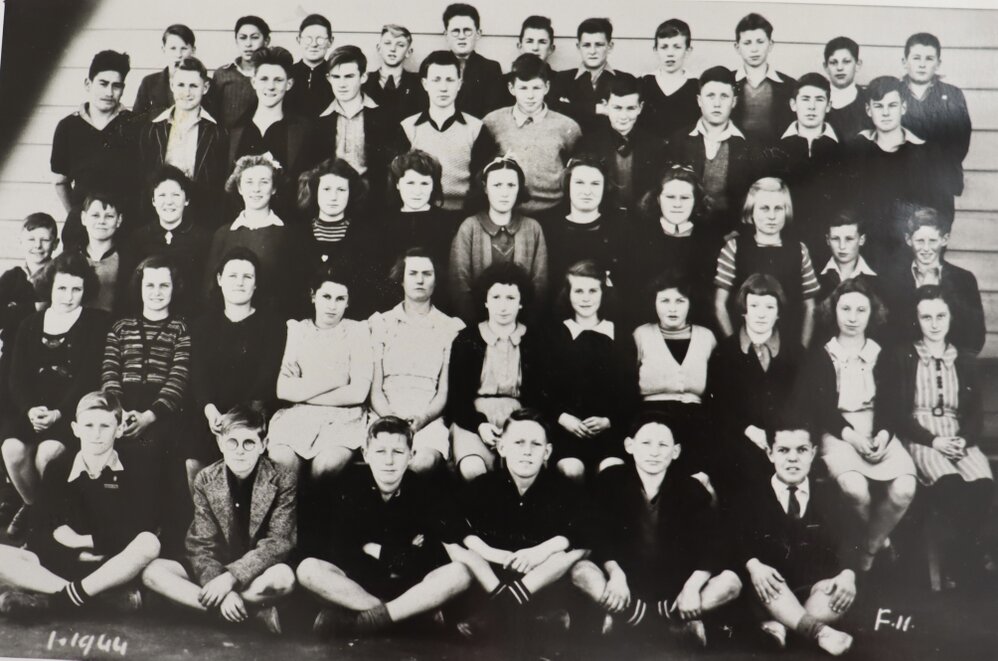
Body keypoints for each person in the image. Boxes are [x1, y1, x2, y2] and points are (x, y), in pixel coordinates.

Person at [571, 414, 742, 644]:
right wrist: (616, 574)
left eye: (663, 445)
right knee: (581, 570)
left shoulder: (691, 488)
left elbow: (714, 544)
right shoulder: (611, 480)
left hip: (672, 589)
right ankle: (654, 622)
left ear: (676, 451)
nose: (654, 452)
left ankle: (647, 619)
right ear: (629, 446)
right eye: (646, 443)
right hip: (626, 584)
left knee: (731, 583)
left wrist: (691, 587)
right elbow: (598, 534)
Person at [298, 416, 471, 638]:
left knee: (460, 573)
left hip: (411, 588)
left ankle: (367, 620)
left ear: (411, 455)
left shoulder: (424, 491)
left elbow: (429, 557)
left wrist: (373, 548)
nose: (389, 461)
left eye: (398, 452)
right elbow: (342, 553)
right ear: (366, 454)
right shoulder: (348, 488)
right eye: (380, 452)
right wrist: (402, 550)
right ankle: (407, 618)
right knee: (308, 570)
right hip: (357, 589)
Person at [0, 391, 162, 619]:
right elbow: (38, 532)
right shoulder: (59, 468)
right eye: (88, 426)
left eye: (105, 426)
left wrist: (81, 541)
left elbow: (139, 527)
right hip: (64, 564)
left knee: (149, 543)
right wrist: (75, 553)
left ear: (119, 429)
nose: (96, 434)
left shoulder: (135, 467)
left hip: (113, 566)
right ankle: (97, 600)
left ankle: (58, 600)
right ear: (75, 429)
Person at [141, 404, 295, 634]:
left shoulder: (282, 479)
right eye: (232, 442)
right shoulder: (206, 479)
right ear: (221, 444)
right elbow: (201, 543)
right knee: (152, 572)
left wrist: (231, 579)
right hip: (214, 568)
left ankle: (211, 609)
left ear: (263, 445)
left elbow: (277, 542)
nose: (239, 451)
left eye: (249, 443)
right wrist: (224, 590)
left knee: (284, 579)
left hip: (256, 571)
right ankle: (248, 613)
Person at [799, 277, 917, 572]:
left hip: (878, 430)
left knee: (904, 488)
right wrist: (852, 438)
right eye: (845, 309)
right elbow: (822, 409)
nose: (852, 318)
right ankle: (881, 541)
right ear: (833, 311)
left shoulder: (882, 354)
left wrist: (883, 436)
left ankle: (870, 546)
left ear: (872, 314)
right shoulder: (822, 355)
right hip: (839, 432)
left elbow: (892, 405)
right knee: (854, 488)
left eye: (860, 310)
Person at [452, 409, 588, 634]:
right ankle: (518, 613)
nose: (527, 452)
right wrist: (488, 551)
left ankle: (505, 612)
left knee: (576, 549)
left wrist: (543, 550)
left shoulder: (562, 489)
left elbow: (591, 526)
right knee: (458, 545)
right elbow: (447, 520)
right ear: (502, 448)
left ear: (547, 452)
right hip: (495, 578)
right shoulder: (485, 486)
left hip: (542, 581)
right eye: (518, 443)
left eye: (536, 444)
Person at [2, 253, 108, 539]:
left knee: (47, 455)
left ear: (86, 291)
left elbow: (88, 378)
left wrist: (59, 413)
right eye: (62, 288)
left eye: (76, 289)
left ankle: (41, 525)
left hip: (71, 413)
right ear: (50, 287)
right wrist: (29, 410)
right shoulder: (30, 324)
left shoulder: (96, 323)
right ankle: (33, 508)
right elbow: (16, 377)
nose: (68, 296)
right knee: (11, 450)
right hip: (33, 412)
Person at [895, 286, 994, 587]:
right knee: (950, 484)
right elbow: (899, 414)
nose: (934, 323)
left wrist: (964, 439)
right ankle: (966, 559)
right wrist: (934, 441)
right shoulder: (906, 356)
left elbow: (975, 413)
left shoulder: (963, 359)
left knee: (982, 485)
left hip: (958, 437)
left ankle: (958, 554)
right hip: (923, 438)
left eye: (940, 316)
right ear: (917, 320)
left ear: (951, 318)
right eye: (926, 317)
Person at [733, 425, 856, 656]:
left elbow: (850, 538)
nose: (792, 458)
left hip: (812, 590)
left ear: (812, 453)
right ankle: (819, 632)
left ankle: (783, 627)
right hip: (771, 592)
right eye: (783, 450)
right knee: (768, 583)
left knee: (836, 594)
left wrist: (847, 575)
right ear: (770, 453)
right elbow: (738, 540)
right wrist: (754, 565)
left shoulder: (829, 494)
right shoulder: (751, 495)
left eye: (801, 450)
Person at [186, 249, 285, 485]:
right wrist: (210, 410)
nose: (239, 283)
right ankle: (207, 520)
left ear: (256, 284)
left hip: (253, 411)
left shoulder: (272, 325)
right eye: (232, 276)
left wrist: (239, 417)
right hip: (213, 413)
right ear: (219, 279)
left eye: (247, 277)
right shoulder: (202, 325)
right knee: (194, 459)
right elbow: (198, 374)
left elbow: (267, 376)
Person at [267, 264, 373, 479]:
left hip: (344, 418)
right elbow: (284, 389)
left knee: (325, 467)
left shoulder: (358, 331)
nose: (332, 306)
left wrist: (304, 390)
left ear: (348, 302)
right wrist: (336, 379)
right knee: (282, 461)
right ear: (313, 296)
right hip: (298, 415)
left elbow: (358, 394)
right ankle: (287, 513)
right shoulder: (297, 330)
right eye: (326, 296)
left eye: (340, 299)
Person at [368, 249, 465, 474]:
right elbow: (375, 390)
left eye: (427, 273)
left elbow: (443, 391)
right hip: (384, 414)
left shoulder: (450, 327)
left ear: (436, 279)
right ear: (401, 279)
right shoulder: (380, 323)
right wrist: (391, 417)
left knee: (422, 464)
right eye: (412, 273)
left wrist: (423, 418)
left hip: (427, 418)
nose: (420, 280)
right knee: (386, 462)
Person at [707, 275, 801, 501]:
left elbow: (802, 402)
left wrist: (779, 435)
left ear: (778, 312)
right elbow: (719, 405)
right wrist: (748, 429)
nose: (761, 313)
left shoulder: (795, 352)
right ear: (744, 310)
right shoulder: (725, 352)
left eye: (769, 306)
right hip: (739, 438)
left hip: (784, 439)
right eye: (754, 306)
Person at [447, 264, 543, 482]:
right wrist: (479, 425)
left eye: (510, 298)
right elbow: (457, 398)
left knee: (523, 472)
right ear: (485, 300)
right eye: (496, 297)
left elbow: (541, 396)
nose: (503, 306)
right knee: (473, 469)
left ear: (520, 303)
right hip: (473, 419)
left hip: (522, 419)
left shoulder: (535, 340)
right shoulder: (467, 338)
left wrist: (520, 425)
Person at [543, 261, 631, 482]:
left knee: (612, 469)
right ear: (568, 293)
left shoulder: (618, 333)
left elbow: (629, 388)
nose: (585, 298)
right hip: (566, 429)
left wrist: (609, 420)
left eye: (593, 291)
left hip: (608, 430)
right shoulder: (555, 333)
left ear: (603, 293)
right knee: (571, 470)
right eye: (579, 291)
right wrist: (563, 418)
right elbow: (540, 387)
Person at [849, 75, 946, 266]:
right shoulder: (855, 151)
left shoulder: (925, 153)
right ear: (868, 110)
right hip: (864, 255)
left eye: (892, 105)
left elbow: (940, 211)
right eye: (878, 106)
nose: (885, 113)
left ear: (904, 107)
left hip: (910, 255)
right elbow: (845, 204)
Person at [714, 177, 820, 349]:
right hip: (744, 347)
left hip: (788, 348)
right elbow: (719, 305)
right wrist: (733, 348)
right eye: (764, 208)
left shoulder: (799, 250)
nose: (772, 216)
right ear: (751, 211)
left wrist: (802, 348)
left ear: (786, 211)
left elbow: (810, 307)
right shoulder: (734, 247)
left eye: (778, 208)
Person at [102, 256, 190, 463]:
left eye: (164, 285)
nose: (156, 292)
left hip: (161, 411)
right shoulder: (120, 327)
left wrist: (149, 417)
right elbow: (109, 374)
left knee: (151, 453)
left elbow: (178, 378)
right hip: (121, 407)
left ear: (174, 288)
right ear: (139, 286)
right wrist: (119, 412)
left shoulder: (180, 329)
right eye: (149, 285)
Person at [632, 272, 717, 477]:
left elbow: (718, 390)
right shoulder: (641, 335)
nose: (672, 308)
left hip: (696, 420)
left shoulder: (707, 337)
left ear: (690, 304)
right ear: (654, 303)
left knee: (699, 476)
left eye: (680, 301)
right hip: (651, 419)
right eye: (665, 301)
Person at [52, 50, 137, 250]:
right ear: (88, 84)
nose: (109, 92)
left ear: (123, 90)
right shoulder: (68, 126)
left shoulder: (135, 124)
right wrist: (78, 214)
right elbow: (59, 181)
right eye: (103, 83)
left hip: (125, 227)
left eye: (116, 86)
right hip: (81, 227)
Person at [449, 157, 548, 323]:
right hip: (477, 324)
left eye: (511, 185)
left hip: (523, 326)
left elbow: (540, 284)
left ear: (519, 189)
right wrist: (475, 324)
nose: (504, 193)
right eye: (497, 185)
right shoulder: (470, 227)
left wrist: (525, 325)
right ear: (485, 188)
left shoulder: (533, 228)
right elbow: (459, 283)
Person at [227, 46, 320, 223]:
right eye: (264, 79)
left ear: (289, 84)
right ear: (254, 82)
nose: (270, 86)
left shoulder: (304, 131)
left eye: (278, 80)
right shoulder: (235, 130)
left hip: (289, 227)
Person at [483, 54, 581, 218]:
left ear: (547, 87)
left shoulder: (567, 126)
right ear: (511, 88)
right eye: (523, 88)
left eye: (536, 88)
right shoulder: (492, 122)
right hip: (506, 212)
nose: (530, 96)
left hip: (552, 212)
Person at [399, 50, 497, 215]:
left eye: (450, 80)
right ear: (425, 84)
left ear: (459, 84)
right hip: (422, 213)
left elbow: (481, 183)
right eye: (436, 80)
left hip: (463, 215)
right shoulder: (408, 128)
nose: (443, 88)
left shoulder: (476, 128)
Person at [204, 154, 301, 316]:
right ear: (240, 188)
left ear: (274, 188)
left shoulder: (288, 235)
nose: (256, 189)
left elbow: (294, 292)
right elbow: (208, 289)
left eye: (264, 182)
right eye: (249, 182)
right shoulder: (223, 234)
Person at [880, 207, 985, 355]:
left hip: (951, 364)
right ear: (909, 240)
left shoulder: (963, 280)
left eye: (933, 241)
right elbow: (886, 333)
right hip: (905, 367)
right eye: (920, 241)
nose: (926, 249)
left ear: (944, 239)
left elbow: (976, 337)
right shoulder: (892, 280)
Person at [664, 66, 755, 236]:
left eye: (724, 96)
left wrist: (739, 232)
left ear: (734, 101)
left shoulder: (748, 144)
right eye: (710, 96)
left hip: (731, 234)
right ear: (699, 100)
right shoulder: (679, 140)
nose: (717, 103)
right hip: (686, 233)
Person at [138, 56, 227, 230]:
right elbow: (144, 178)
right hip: (160, 217)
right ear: (172, 85)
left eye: (193, 86)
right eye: (181, 85)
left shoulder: (217, 133)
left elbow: (218, 184)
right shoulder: (152, 129)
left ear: (205, 88)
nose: (187, 92)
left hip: (201, 219)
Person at [0, 214, 59, 471]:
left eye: (45, 239)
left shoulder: (59, 274)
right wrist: (32, 307)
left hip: (48, 357)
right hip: (11, 355)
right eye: (32, 239)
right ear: (21, 241)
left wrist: (17, 309)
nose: (38, 245)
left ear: (55, 244)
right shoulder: (11, 277)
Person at [627, 165, 718, 329]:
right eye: (670, 197)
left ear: (696, 200)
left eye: (685, 198)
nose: (677, 204)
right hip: (644, 323)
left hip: (695, 325)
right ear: (657, 199)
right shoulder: (638, 238)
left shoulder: (709, 240)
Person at [769, 72, 846, 266]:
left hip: (830, 245)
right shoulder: (774, 149)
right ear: (793, 104)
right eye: (805, 99)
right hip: (784, 240)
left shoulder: (844, 150)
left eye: (819, 100)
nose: (812, 107)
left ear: (828, 105)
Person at [121, 166, 212, 318]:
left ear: (187, 200)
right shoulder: (139, 238)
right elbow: (130, 289)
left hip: (189, 320)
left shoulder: (203, 238)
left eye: (175, 195)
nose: (168, 202)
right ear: (153, 201)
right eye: (162, 195)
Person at [900, 33, 971, 225]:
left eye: (929, 59)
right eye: (916, 58)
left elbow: (959, 144)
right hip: (900, 185)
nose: (922, 64)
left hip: (939, 185)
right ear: (904, 61)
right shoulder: (894, 93)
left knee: (935, 241)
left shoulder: (952, 96)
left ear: (938, 63)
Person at [295, 158, 378, 318]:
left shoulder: (365, 236)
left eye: (341, 190)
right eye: (326, 189)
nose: (333, 197)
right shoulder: (297, 235)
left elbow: (369, 291)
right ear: (315, 191)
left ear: (351, 193)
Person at [577, 76, 665, 215]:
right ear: (605, 106)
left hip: (643, 220)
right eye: (617, 108)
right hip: (603, 218)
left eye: (630, 108)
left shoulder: (656, 145)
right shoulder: (588, 144)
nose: (623, 116)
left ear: (640, 108)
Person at [317, 45, 393, 205]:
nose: (342, 84)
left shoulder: (383, 117)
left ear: (363, 77)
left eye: (349, 76)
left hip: (372, 202)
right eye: (336, 77)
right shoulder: (320, 120)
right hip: (332, 201)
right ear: (328, 78)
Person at [544, 156, 626, 296]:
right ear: (568, 184)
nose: (587, 191)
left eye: (595, 184)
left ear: (604, 186)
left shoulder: (620, 227)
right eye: (579, 183)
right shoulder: (549, 229)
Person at [378, 150, 459, 290]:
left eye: (424, 184)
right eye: (410, 183)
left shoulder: (449, 222)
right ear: (397, 184)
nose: (417, 191)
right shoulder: (382, 223)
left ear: (434, 185)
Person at [552, 18, 631, 132]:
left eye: (599, 45)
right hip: (572, 147)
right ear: (578, 47)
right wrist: (597, 108)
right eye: (587, 45)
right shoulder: (562, 78)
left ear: (610, 46)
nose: (592, 51)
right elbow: (552, 110)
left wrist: (571, 107)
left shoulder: (625, 80)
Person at [731, 13, 796, 145]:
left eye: (760, 42)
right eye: (747, 43)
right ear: (737, 47)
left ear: (770, 44)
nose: (754, 49)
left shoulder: (790, 85)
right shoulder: (726, 82)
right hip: (736, 160)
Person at [440, 3, 506, 119]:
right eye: (455, 31)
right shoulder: (434, 66)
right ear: (446, 34)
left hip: (478, 132)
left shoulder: (491, 68)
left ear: (478, 34)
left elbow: (492, 113)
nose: (461, 36)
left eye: (467, 30)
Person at [637, 19, 700, 141]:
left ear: (688, 51)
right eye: (664, 47)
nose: (670, 53)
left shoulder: (697, 86)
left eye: (677, 47)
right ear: (655, 50)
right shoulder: (644, 83)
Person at [206, 15, 271, 128]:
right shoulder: (223, 74)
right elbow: (212, 115)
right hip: (228, 141)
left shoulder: (274, 75)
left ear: (266, 41)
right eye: (243, 37)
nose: (248, 44)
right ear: (236, 40)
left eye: (254, 37)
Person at [362, 25, 425, 125]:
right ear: (379, 48)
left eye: (400, 45)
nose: (393, 49)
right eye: (387, 43)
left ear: (408, 52)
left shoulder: (418, 84)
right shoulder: (364, 82)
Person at [77, 192, 126, 314]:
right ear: (84, 218)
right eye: (95, 215)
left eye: (109, 216)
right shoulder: (72, 258)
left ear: (119, 220)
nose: (101, 221)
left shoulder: (127, 260)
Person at [133, 24, 196, 118]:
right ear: (164, 49)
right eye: (173, 48)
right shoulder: (149, 83)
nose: (178, 55)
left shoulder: (205, 84)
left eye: (184, 48)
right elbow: (137, 119)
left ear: (193, 50)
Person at [817, 212, 878, 304]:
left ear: (861, 240)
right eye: (835, 239)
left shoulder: (876, 278)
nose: (842, 246)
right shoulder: (816, 276)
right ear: (827, 240)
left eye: (849, 239)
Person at [285, 14, 335, 119]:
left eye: (320, 39)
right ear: (298, 40)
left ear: (330, 41)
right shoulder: (287, 74)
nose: (314, 44)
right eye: (308, 39)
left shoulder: (336, 76)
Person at [822, 37, 871, 143]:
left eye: (846, 62)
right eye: (833, 62)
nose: (840, 68)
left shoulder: (868, 101)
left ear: (857, 65)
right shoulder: (817, 101)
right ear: (826, 67)